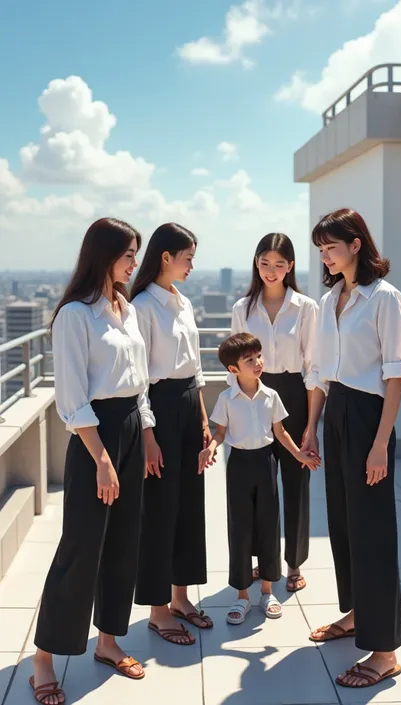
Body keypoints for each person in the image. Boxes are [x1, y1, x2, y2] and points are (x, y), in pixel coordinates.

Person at [32, 218, 156, 705]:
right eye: (128, 254)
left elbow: (139, 380)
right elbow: (72, 398)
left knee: (124, 541)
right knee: (82, 545)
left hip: (128, 427)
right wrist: (102, 459)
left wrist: (146, 432)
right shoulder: (75, 316)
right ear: (103, 256)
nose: (134, 263)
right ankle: (44, 658)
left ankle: (107, 642)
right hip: (94, 436)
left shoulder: (126, 308)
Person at [302, 208, 401, 689]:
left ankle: (385, 651)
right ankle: (355, 617)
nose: (324, 256)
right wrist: (311, 427)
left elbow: (395, 374)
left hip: (370, 417)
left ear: (355, 244)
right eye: (320, 249)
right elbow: (323, 369)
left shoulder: (384, 298)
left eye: (330, 246)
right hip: (338, 412)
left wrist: (381, 443)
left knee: (372, 533)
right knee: (345, 525)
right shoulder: (330, 299)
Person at [199, 333, 319, 625]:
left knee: (268, 524)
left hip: (266, 462)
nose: (258, 363)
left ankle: (267, 591)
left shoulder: (271, 396)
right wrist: (210, 449)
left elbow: (281, 433)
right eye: (249, 360)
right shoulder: (227, 399)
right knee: (239, 528)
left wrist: (299, 455)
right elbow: (219, 433)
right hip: (239, 464)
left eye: (258, 357)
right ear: (233, 369)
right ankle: (242, 596)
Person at [131, 222, 212, 646]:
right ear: (166, 257)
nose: (192, 266)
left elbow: (196, 370)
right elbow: (139, 379)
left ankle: (181, 597)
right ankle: (157, 610)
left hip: (186, 405)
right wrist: (148, 436)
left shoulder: (183, 302)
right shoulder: (142, 306)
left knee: (189, 507)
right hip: (158, 410)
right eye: (187, 257)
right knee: (159, 511)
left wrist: (202, 421)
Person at [231, 233, 319, 593]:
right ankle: (260, 561)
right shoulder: (242, 308)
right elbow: (233, 364)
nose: (271, 271)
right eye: (265, 263)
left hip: (295, 395)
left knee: (296, 482)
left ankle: (294, 562)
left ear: (291, 267)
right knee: (257, 484)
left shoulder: (306, 308)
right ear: (256, 263)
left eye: (279, 264)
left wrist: (312, 424)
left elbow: (314, 367)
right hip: (253, 396)